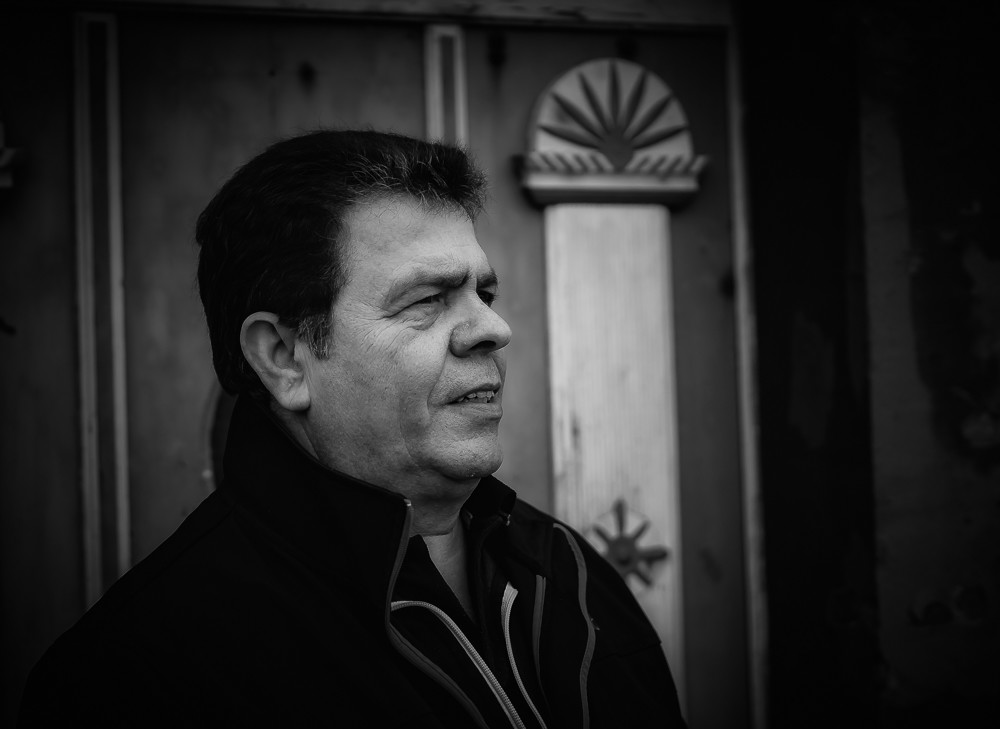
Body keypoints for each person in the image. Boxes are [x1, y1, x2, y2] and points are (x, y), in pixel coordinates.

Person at [19, 130, 685, 728]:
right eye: (426, 300)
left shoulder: (567, 571)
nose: (493, 327)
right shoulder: (135, 675)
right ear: (284, 358)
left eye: (483, 293)